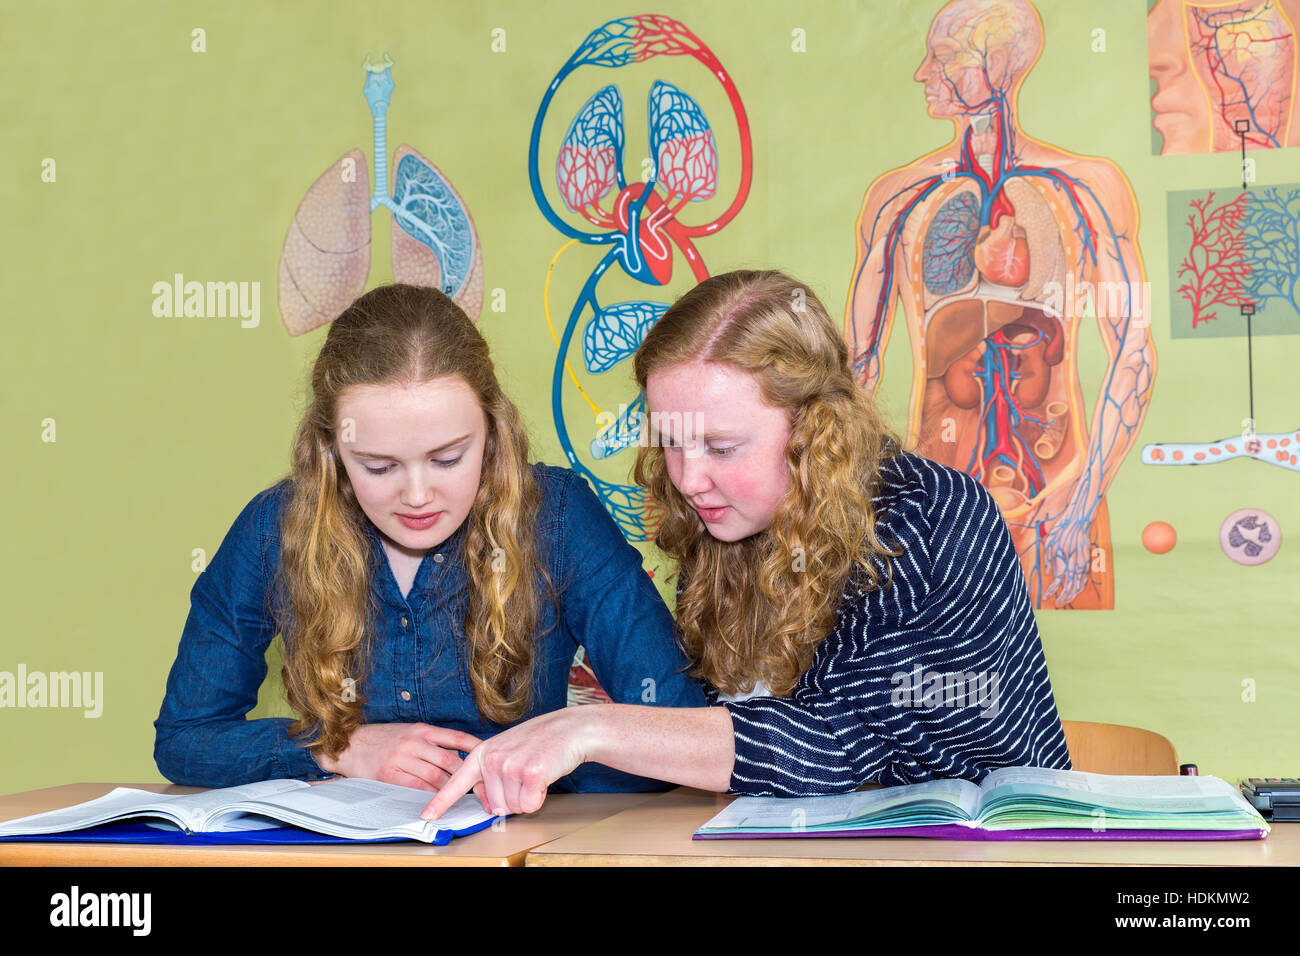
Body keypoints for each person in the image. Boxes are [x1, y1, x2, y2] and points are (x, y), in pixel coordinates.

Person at [422, 268, 1071, 821]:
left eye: (722, 447)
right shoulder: (729, 516)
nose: (686, 476)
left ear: (814, 429)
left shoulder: (929, 519)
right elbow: (723, 732)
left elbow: (845, 750)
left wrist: (593, 728)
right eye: (672, 440)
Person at [153, 282, 706, 798]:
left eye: (447, 458)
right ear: (332, 451)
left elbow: (677, 727)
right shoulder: (273, 528)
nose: (418, 495)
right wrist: (335, 748)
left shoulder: (557, 516)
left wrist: (545, 762)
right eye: (379, 466)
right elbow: (186, 738)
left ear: (492, 432)